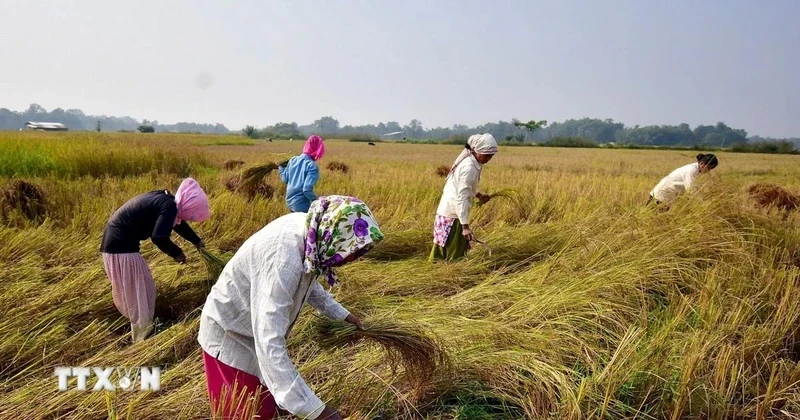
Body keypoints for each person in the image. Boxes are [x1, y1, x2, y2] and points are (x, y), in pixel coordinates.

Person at [198, 195, 384, 420]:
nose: (352, 257)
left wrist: (343, 315)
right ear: (334, 233)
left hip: (250, 335)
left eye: (359, 252)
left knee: (264, 406)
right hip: (230, 335)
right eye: (351, 249)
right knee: (248, 413)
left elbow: (308, 284)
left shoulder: (312, 233)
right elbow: (269, 339)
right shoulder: (284, 257)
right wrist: (318, 412)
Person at [100, 178, 210, 342]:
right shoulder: (169, 206)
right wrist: (177, 253)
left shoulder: (167, 201)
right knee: (141, 294)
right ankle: (141, 340)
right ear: (189, 206)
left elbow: (177, 224)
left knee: (143, 291)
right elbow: (159, 237)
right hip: (122, 250)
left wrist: (196, 241)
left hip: (116, 247)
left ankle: (142, 330)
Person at [430, 133, 498, 261]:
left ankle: (435, 274)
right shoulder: (469, 168)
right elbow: (461, 197)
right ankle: (449, 277)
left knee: (441, 250)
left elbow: (462, 187)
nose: (489, 158)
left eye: (491, 156)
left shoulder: (471, 162)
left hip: (447, 213)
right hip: (454, 216)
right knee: (454, 255)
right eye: (487, 155)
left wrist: (478, 195)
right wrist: (465, 227)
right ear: (477, 150)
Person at [648, 153, 719, 208]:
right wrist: (703, 204)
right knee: (654, 219)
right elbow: (691, 189)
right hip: (661, 196)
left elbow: (693, 188)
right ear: (702, 163)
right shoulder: (692, 170)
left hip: (664, 196)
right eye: (709, 167)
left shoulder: (695, 169)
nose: (708, 170)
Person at [279, 135, 326, 213]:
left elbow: (285, 179)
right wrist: (318, 201)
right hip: (301, 205)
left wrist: (280, 168)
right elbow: (306, 190)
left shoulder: (293, 159)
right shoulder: (311, 166)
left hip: (289, 202)